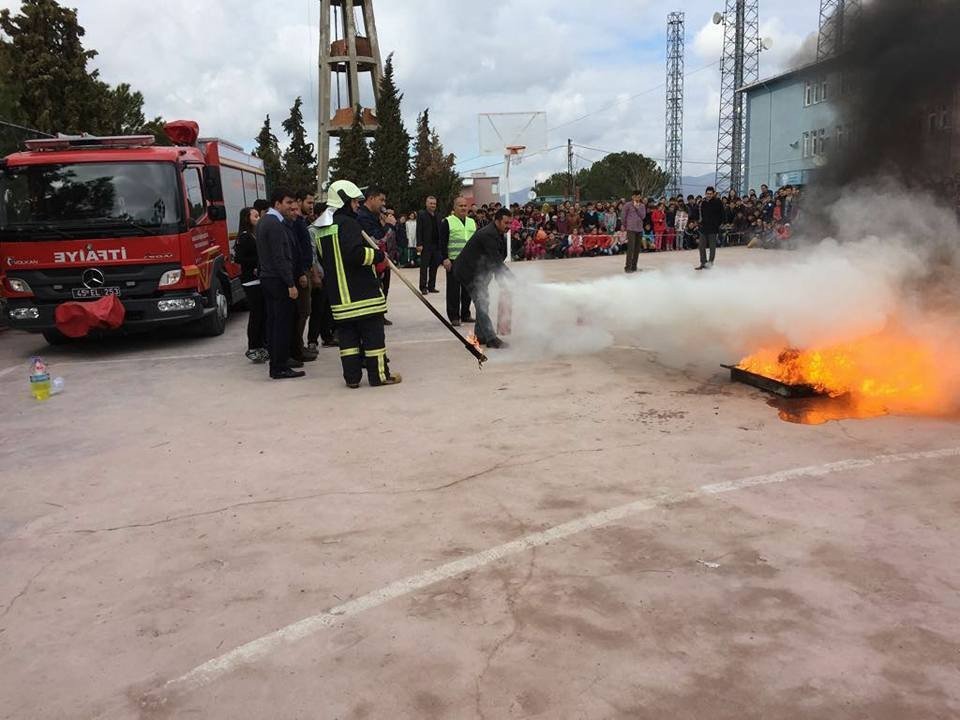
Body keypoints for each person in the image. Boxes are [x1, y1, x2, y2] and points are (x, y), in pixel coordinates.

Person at [314, 180, 401, 388]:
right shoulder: (349, 224)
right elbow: (355, 254)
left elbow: (325, 258)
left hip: (339, 298)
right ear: (344, 201)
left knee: (348, 342)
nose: (357, 205)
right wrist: (378, 255)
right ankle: (379, 376)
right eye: (354, 201)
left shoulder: (322, 227)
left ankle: (352, 378)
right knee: (373, 339)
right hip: (362, 294)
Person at [255, 187, 303, 380]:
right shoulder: (274, 224)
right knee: (281, 324)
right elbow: (279, 256)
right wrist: (290, 283)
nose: (292, 206)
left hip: (269, 278)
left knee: (275, 323)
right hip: (277, 280)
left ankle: (279, 360)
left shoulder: (265, 221)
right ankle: (279, 367)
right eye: (288, 203)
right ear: (277, 204)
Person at [453, 208, 513, 349]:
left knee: (483, 302)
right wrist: (513, 278)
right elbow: (496, 262)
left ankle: (480, 336)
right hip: (468, 272)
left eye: (510, 223)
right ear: (497, 221)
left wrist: (502, 280)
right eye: (506, 222)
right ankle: (491, 338)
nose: (508, 226)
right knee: (482, 302)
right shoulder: (488, 234)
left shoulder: (498, 234)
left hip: (480, 272)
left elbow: (495, 261)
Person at [357, 186, 397, 325]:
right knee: (375, 289)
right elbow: (376, 240)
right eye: (382, 200)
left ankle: (380, 314)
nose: (384, 204)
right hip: (370, 260)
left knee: (383, 288)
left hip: (381, 258)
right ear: (371, 198)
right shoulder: (363, 217)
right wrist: (389, 226)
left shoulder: (374, 215)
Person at [234, 207, 266, 363]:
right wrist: (256, 264)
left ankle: (262, 344)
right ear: (247, 218)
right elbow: (239, 258)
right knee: (256, 314)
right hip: (250, 280)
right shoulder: (245, 237)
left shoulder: (255, 235)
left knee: (262, 314)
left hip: (260, 279)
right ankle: (253, 346)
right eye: (255, 216)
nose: (258, 218)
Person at [290, 191, 319, 363]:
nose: (311, 206)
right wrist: (301, 272)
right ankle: (296, 349)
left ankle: (299, 346)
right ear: (299, 201)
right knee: (302, 311)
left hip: (306, 270)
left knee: (305, 311)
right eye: (308, 202)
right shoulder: (295, 223)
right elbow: (296, 250)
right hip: (301, 273)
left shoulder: (301, 222)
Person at [440, 196, 476, 327]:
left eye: (465, 206)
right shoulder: (447, 222)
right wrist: (445, 258)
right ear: (454, 208)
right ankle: (454, 316)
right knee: (453, 290)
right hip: (454, 260)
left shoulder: (472, 222)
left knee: (468, 290)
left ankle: (465, 314)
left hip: (469, 261)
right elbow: (442, 242)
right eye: (460, 206)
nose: (463, 208)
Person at [416, 196, 441, 294]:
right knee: (424, 267)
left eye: (434, 204)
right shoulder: (422, 214)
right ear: (426, 204)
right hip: (425, 245)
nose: (433, 205)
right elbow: (419, 230)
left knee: (434, 267)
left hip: (436, 245)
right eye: (431, 203)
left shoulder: (438, 215)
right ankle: (423, 287)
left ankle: (431, 286)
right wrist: (419, 243)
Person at [697, 186, 724, 270]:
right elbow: (701, 215)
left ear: (713, 194)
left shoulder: (718, 202)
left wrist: (718, 224)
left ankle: (710, 262)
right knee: (701, 246)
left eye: (710, 194)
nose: (709, 195)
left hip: (713, 227)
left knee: (712, 246)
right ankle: (703, 262)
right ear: (705, 194)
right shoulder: (703, 203)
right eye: (707, 194)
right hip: (704, 227)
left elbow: (722, 214)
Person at [621, 191, 646, 272]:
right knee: (631, 248)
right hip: (631, 228)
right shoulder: (627, 205)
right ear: (632, 197)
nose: (638, 198)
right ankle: (627, 267)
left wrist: (637, 208)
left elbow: (643, 216)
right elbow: (623, 216)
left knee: (637, 249)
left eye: (639, 196)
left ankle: (634, 266)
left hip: (639, 228)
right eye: (636, 196)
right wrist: (625, 226)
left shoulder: (642, 206)